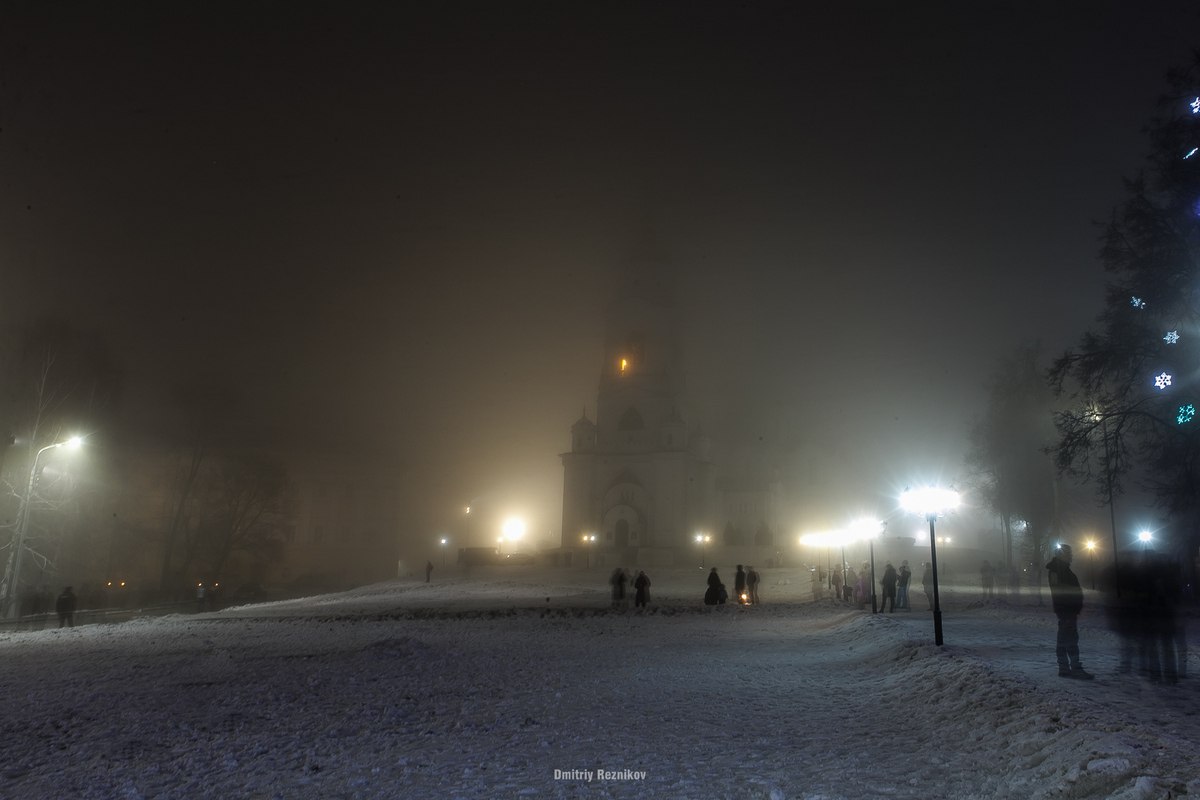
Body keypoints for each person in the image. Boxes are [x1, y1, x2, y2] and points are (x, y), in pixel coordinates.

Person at [1046, 544, 1093, 680]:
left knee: (1065, 638)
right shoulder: (1059, 570)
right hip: (1066, 608)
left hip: (1066, 608)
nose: (1071, 556)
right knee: (1070, 639)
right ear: (1062, 555)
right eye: (1069, 554)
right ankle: (1073, 668)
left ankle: (1065, 667)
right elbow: (1059, 589)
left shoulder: (1061, 569)